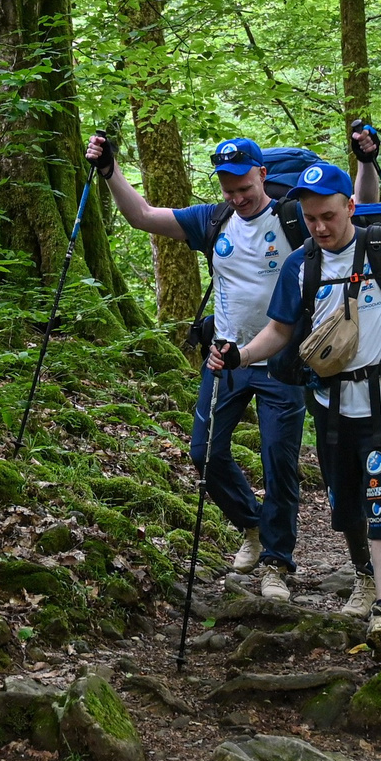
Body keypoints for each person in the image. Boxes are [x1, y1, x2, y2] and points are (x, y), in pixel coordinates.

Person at [206, 162, 381, 643]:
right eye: (310, 219)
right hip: (331, 402)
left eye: (328, 215)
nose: (320, 227)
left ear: (350, 206)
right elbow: (279, 332)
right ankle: (364, 575)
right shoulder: (300, 265)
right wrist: (239, 354)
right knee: (346, 506)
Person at [89, 131, 306, 604]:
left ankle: (276, 563)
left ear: (262, 175)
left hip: (283, 362)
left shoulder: (296, 217)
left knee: (279, 463)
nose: (238, 196)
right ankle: (251, 524)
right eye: (229, 188)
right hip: (223, 357)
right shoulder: (214, 219)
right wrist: (111, 172)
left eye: (245, 185)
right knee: (203, 453)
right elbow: (143, 216)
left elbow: (348, 220)